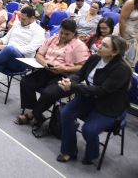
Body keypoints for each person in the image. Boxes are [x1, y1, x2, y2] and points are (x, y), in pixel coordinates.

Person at [56, 36, 131, 165]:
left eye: (105, 46)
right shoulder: (95, 58)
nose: (99, 46)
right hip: (89, 97)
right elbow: (80, 75)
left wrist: (73, 87)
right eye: (101, 43)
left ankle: (92, 154)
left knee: (88, 130)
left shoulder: (121, 70)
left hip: (108, 106)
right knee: (66, 113)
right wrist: (70, 80)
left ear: (114, 52)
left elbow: (102, 91)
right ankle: (69, 151)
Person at [16, 19, 89, 129]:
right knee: (25, 82)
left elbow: (83, 66)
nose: (63, 36)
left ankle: (31, 115)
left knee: (48, 93)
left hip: (64, 75)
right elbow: (39, 55)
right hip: (47, 70)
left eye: (67, 34)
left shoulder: (79, 46)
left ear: (74, 34)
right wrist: (45, 63)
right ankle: (38, 113)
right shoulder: (53, 39)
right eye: (62, 32)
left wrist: (64, 68)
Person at [119, 0, 138, 66]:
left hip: (135, 36)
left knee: (128, 63)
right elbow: (122, 21)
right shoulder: (130, 3)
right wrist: (123, 39)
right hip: (125, 34)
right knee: (120, 58)